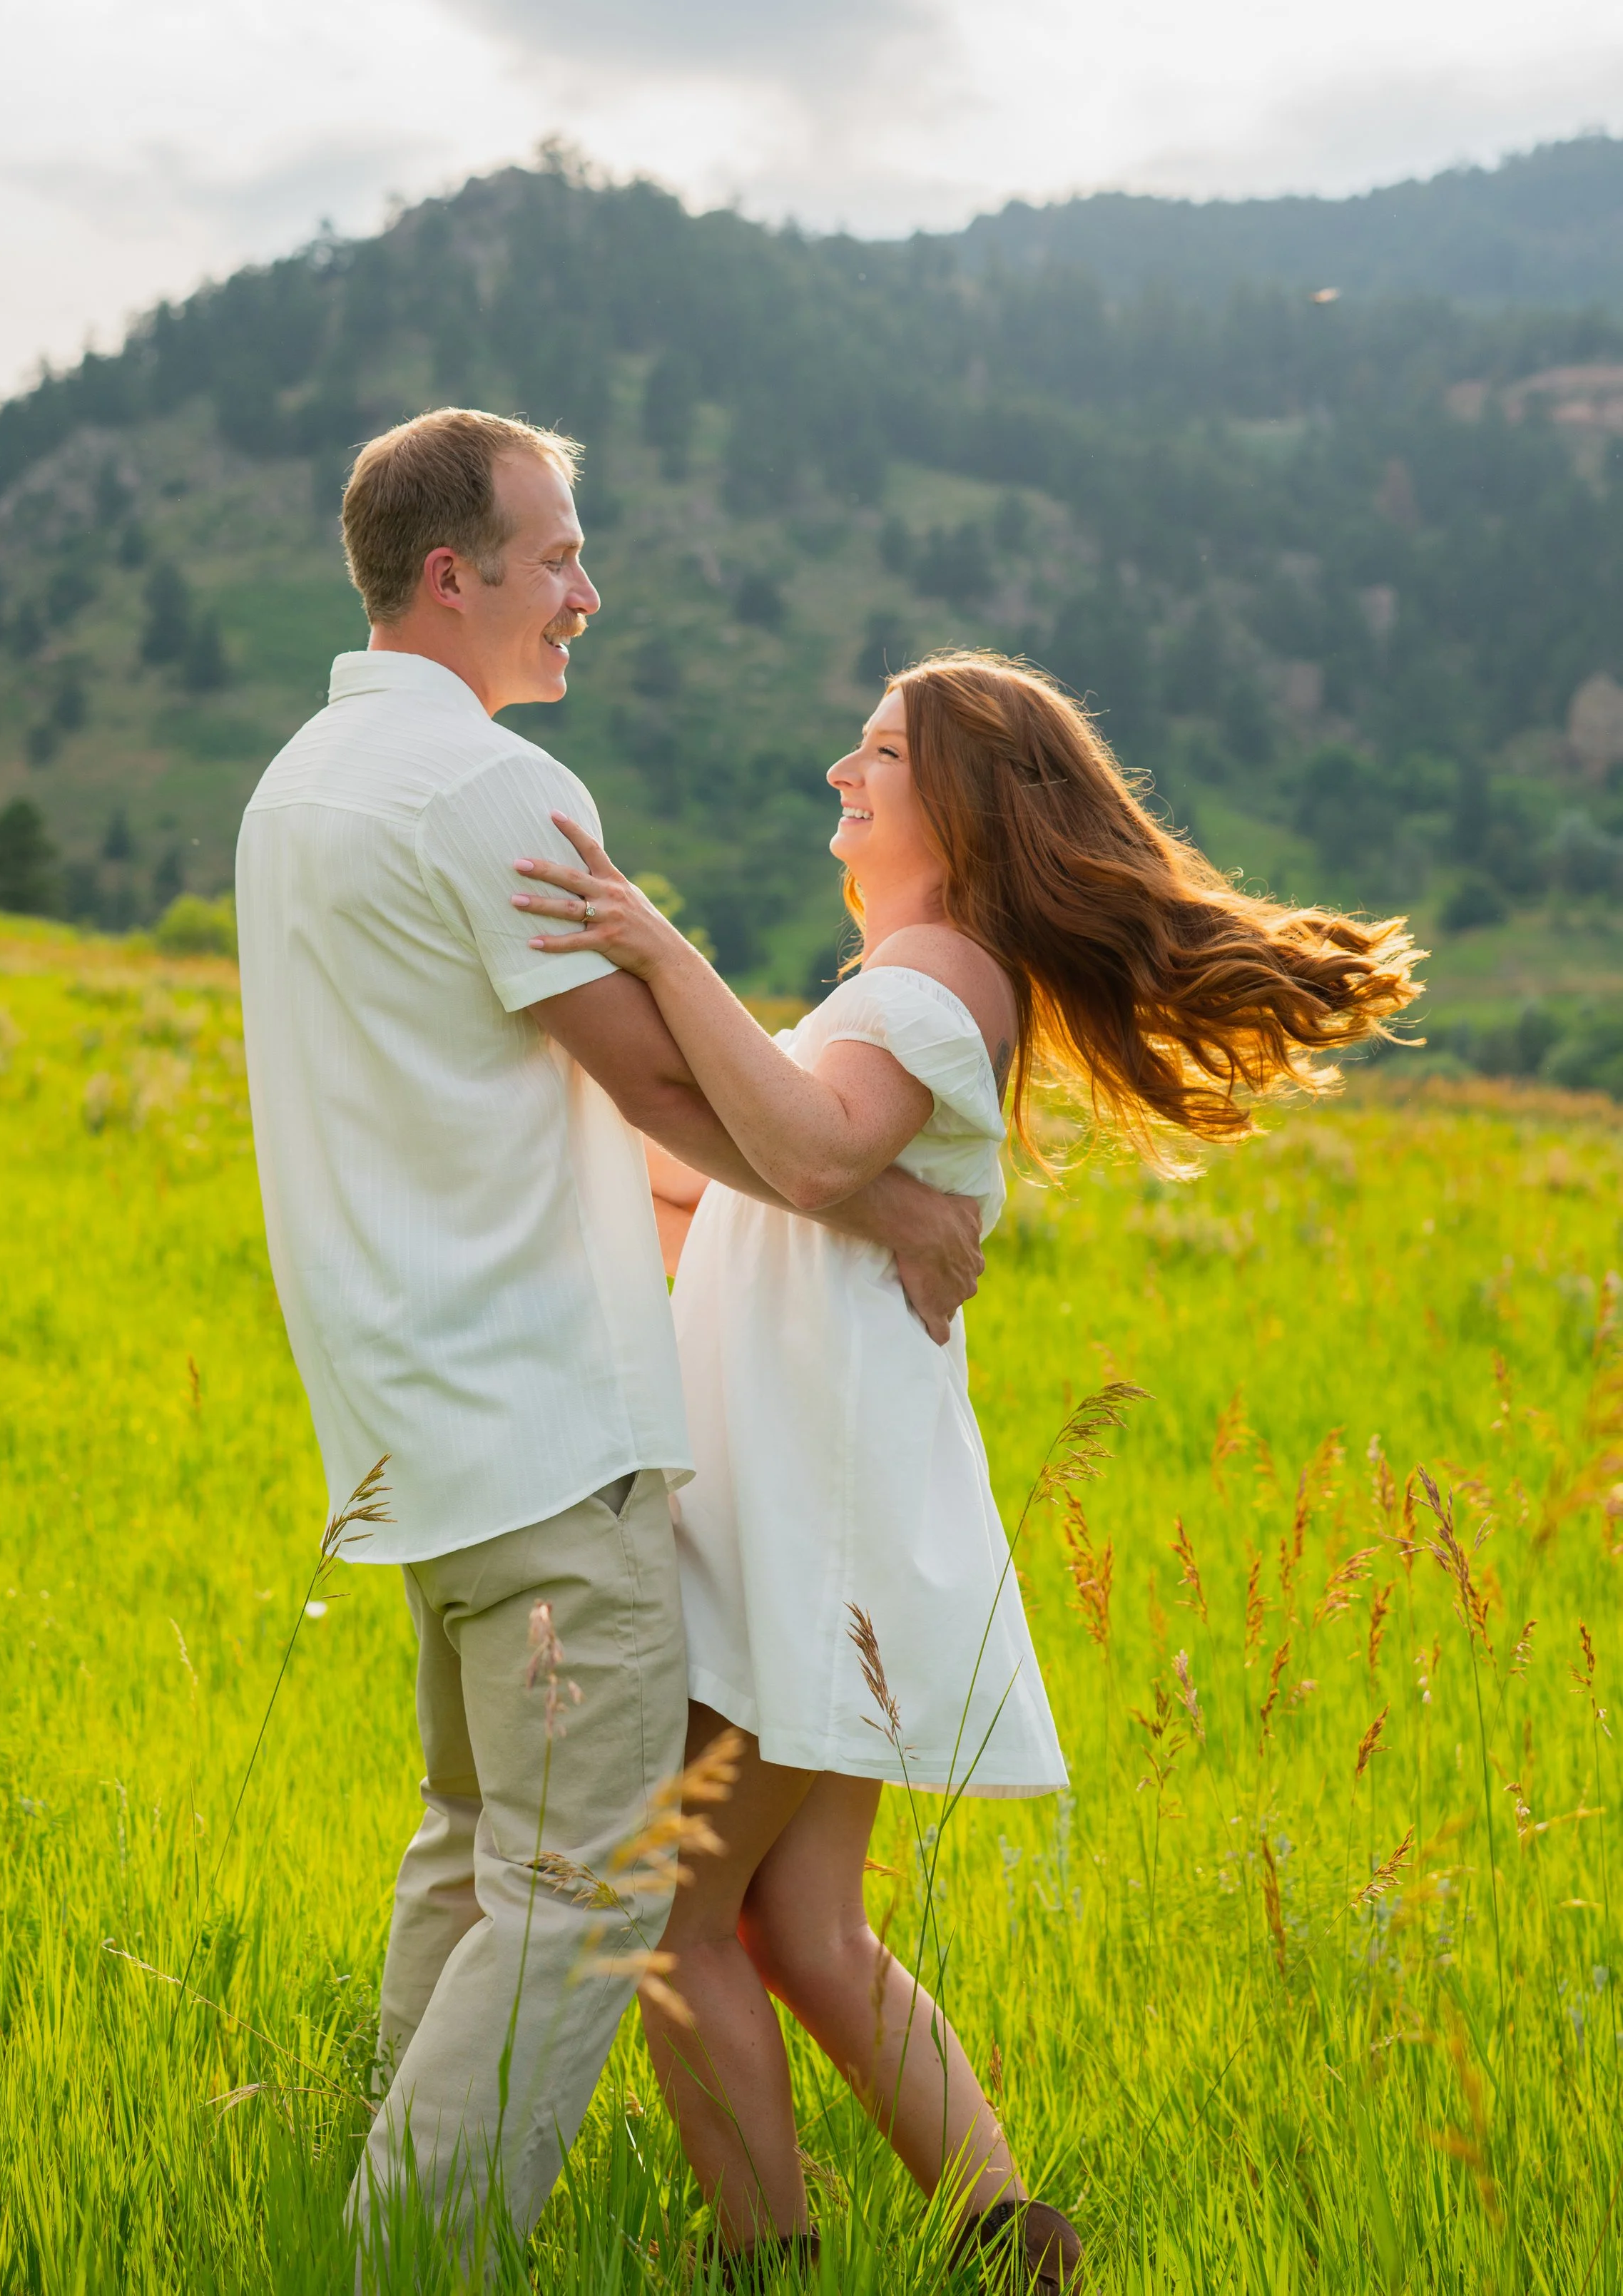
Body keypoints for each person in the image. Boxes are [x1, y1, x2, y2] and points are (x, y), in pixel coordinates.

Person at [511, 649, 1421, 2290]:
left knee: (664, 1919)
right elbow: (746, 1177)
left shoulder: (928, 977)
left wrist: (646, 941)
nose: (839, 772)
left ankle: (770, 2266)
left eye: (876, 749)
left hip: (812, 1505)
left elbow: (798, 1144)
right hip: (819, 1486)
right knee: (799, 1927)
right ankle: (1018, 2245)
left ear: (961, 800)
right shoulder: (916, 973)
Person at [233, 408, 988, 2277]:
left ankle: (373, 2225)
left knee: (472, 1844)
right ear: (451, 575)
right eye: (557, 553)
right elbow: (676, 1087)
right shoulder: (492, 796)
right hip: (546, 1432)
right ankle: (412, 2251)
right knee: (583, 1892)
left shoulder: (299, 787)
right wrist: (882, 1200)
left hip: (414, 1420)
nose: (587, 588)